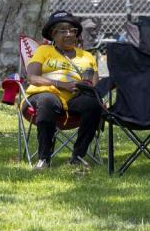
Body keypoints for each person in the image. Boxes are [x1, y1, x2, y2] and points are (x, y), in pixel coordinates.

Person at [25, 10, 101, 169]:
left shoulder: (87, 56)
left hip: (75, 99)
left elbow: (93, 82)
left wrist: (84, 88)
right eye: (63, 30)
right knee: (47, 100)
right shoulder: (43, 51)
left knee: (93, 104)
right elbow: (32, 77)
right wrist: (60, 84)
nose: (69, 34)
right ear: (53, 34)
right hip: (44, 95)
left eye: (73, 30)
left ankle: (78, 156)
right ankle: (44, 158)